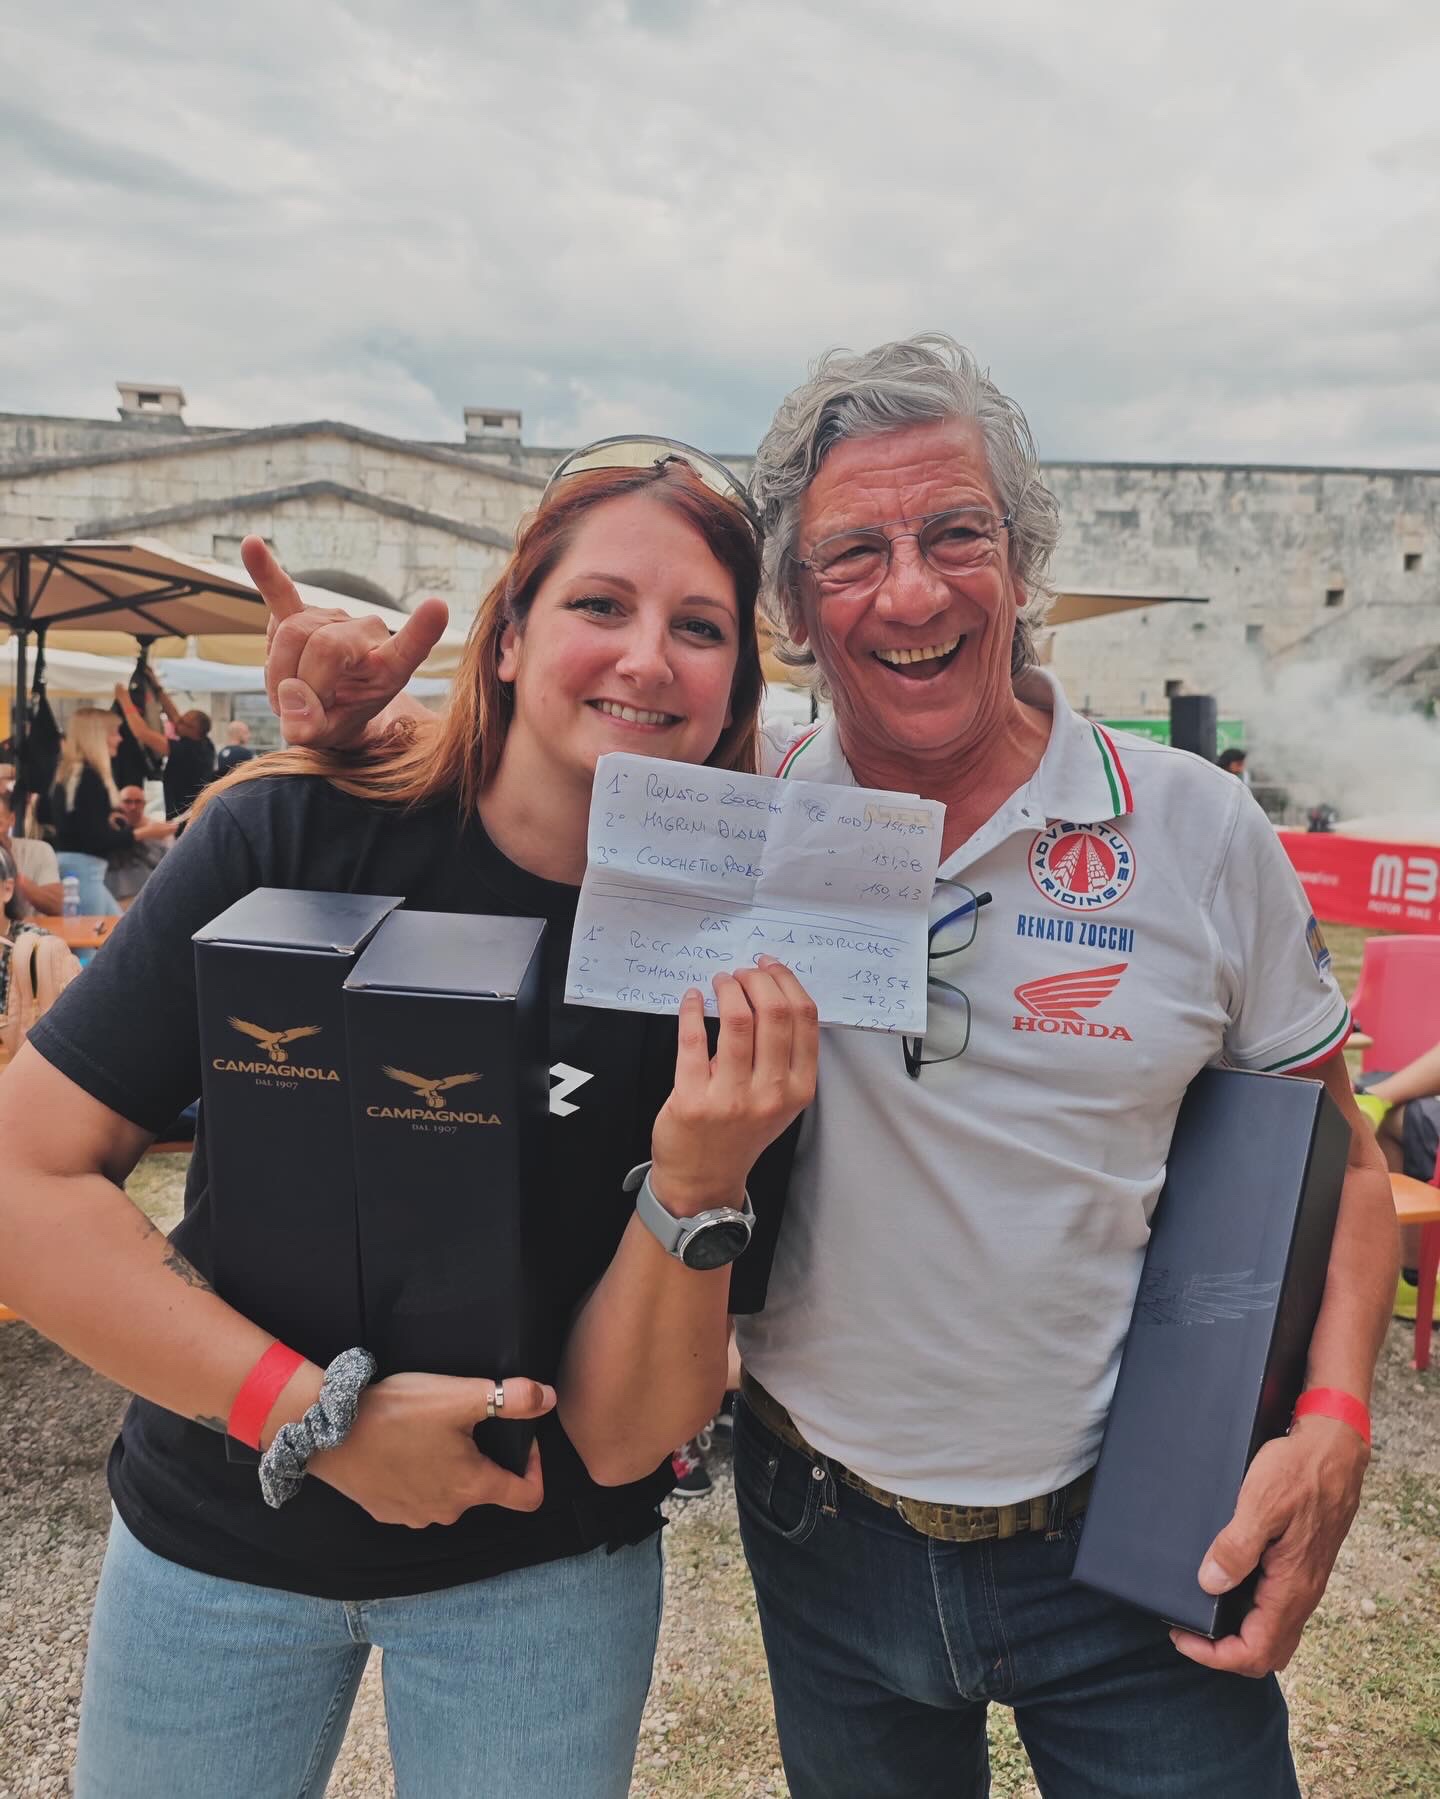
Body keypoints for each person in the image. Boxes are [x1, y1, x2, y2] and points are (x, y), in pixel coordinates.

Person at [288, 338, 1398, 1799]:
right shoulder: (717, 820)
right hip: (822, 1528)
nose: (913, 591)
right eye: (853, 553)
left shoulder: (1195, 827)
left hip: (1139, 1525)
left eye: (958, 534)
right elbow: (510, 802)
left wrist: (1333, 1419)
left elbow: (1341, 1157)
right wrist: (350, 744)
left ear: (1022, 562)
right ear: (796, 612)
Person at [0, 445, 817, 1799]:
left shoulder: (739, 959)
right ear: (508, 640)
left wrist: (697, 1175)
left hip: (541, 1576)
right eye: (600, 604)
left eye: (700, 626)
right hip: (222, 1535)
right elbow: (23, 1184)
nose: (647, 657)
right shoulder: (292, 831)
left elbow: (629, 1437)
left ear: (737, 683)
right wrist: (313, 1415)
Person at [112, 678, 217, 821]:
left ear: (194, 730)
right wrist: (157, 686)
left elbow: (142, 733)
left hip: (184, 818)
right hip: (193, 814)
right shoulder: (205, 743)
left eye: (183, 721)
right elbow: (174, 715)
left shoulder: (188, 752)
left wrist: (124, 700)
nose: (177, 722)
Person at [104, 786, 178, 908]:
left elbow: (170, 865)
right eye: (127, 801)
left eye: (138, 802)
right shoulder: (109, 829)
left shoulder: (160, 830)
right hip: (115, 896)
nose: (133, 807)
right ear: (118, 804)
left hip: (149, 896)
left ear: (144, 804)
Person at [0, 782, 62, 919]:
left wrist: (14, 873)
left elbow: (56, 906)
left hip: (29, 929)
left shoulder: (39, 851)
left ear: (11, 820)